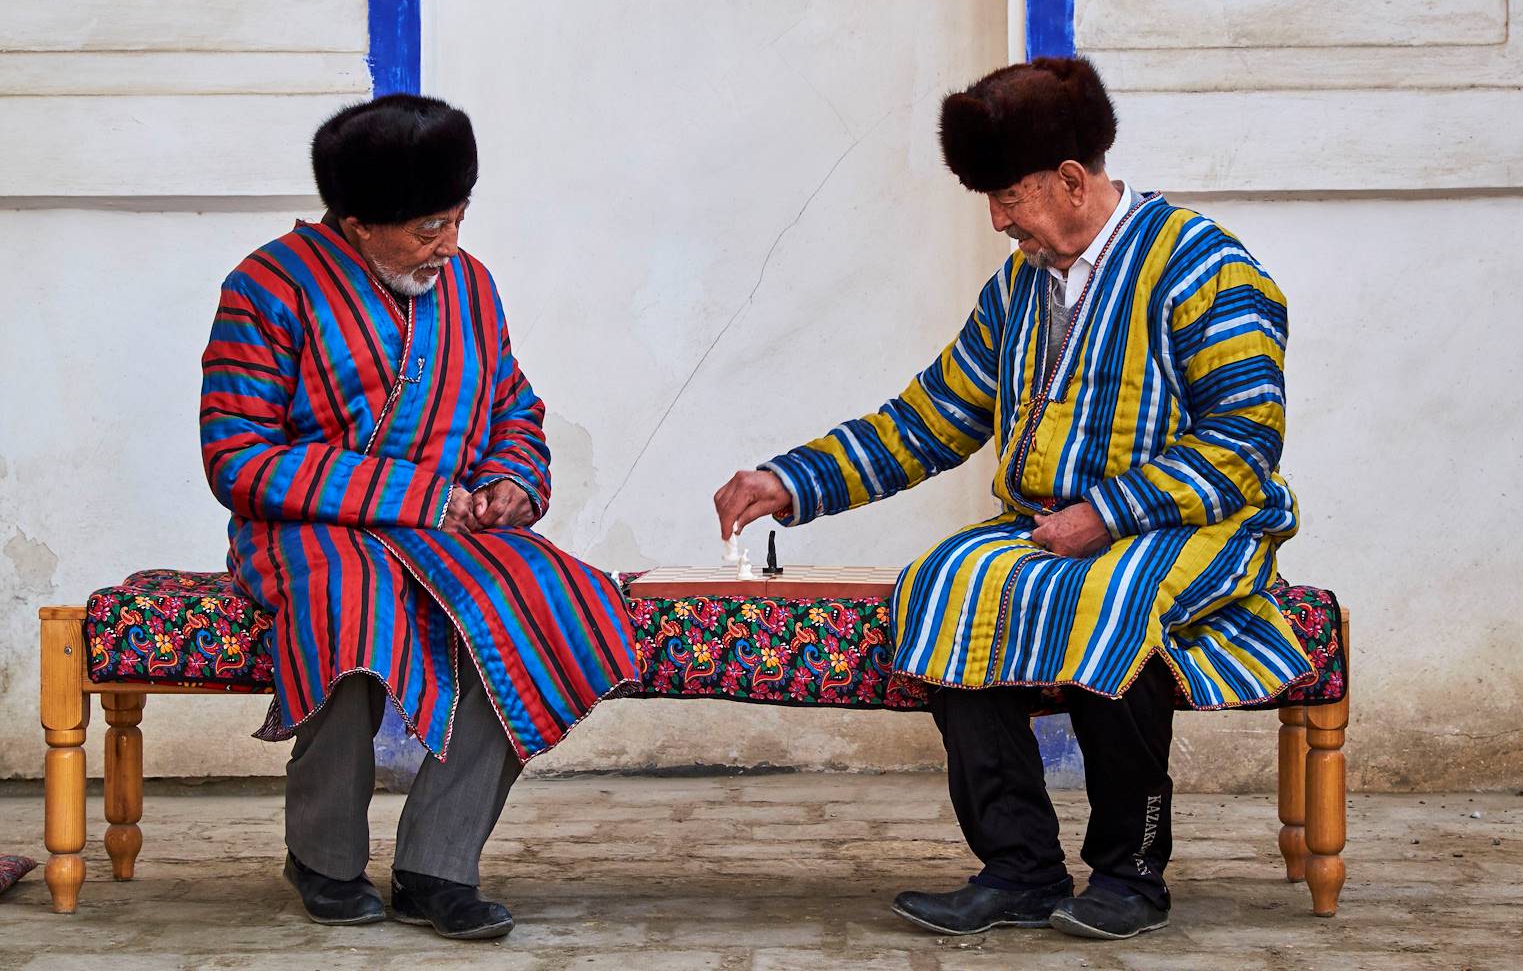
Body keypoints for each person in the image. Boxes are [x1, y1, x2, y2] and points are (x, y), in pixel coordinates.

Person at [714, 57, 1312, 942]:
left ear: (1072, 180)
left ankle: (1131, 872)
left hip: (1195, 520)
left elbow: (1245, 444)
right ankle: (1021, 867)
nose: (999, 222)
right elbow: (926, 420)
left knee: (1113, 600)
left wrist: (1109, 514)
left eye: (1009, 199)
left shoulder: (1207, 268)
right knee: (945, 585)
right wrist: (788, 481)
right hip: (1051, 527)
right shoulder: (1017, 292)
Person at [200, 94, 638, 940]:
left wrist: (514, 478)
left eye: (458, 221)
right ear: (357, 223)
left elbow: (512, 405)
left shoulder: (470, 284)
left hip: (451, 534)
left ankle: (438, 862)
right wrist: (414, 496)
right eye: (427, 228)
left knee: (554, 599)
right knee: (354, 606)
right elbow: (238, 456)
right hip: (307, 531)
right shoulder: (265, 286)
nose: (449, 246)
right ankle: (324, 857)